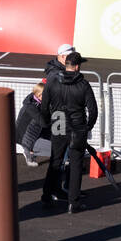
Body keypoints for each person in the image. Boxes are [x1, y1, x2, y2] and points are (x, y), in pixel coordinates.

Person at [41, 50, 98, 214]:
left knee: (55, 161)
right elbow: (93, 111)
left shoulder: (52, 82)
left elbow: (45, 106)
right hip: (77, 127)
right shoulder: (83, 85)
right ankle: (74, 202)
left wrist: (47, 121)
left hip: (58, 124)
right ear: (78, 66)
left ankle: (46, 195)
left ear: (66, 64)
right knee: (76, 164)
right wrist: (88, 127)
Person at [16, 79, 52, 167]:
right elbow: (43, 122)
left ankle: (30, 152)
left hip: (34, 131)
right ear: (40, 95)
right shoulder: (31, 107)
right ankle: (29, 156)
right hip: (26, 135)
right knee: (30, 146)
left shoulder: (34, 98)